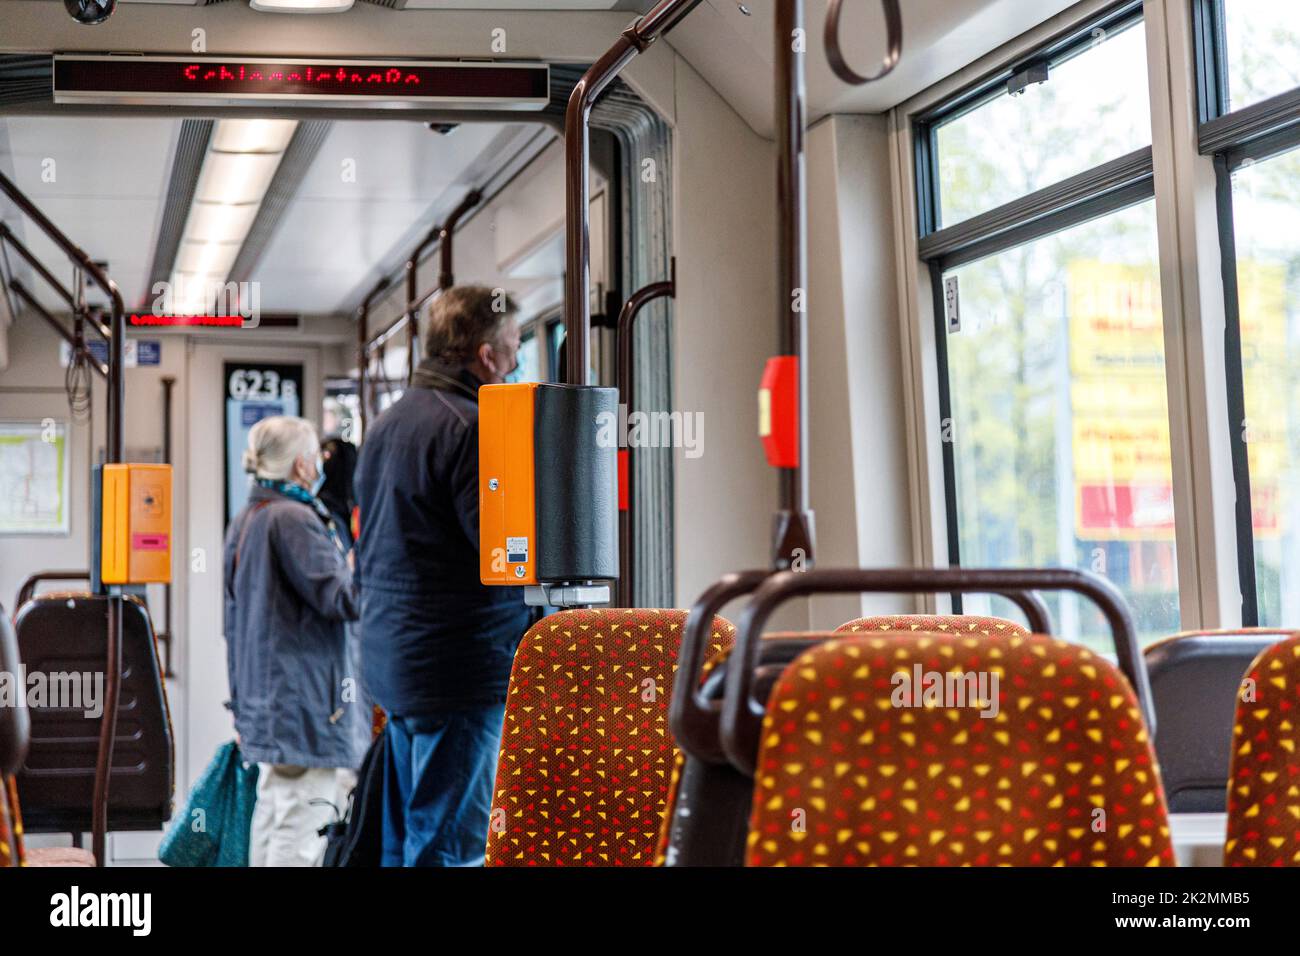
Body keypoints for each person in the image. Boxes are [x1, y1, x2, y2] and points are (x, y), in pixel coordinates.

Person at [354, 285, 532, 867]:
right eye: (513, 347)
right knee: (449, 848)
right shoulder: (474, 428)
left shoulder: (385, 426)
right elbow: (500, 553)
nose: (515, 361)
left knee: (406, 835)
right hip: (458, 666)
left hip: (395, 660)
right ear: (486, 355)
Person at [222, 415, 369, 866]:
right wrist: (369, 558)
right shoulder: (295, 521)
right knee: (303, 826)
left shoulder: (249, 518)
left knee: (273, 811)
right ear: (302, 466)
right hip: (305, 703)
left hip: (268, 698)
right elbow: (344, 598)